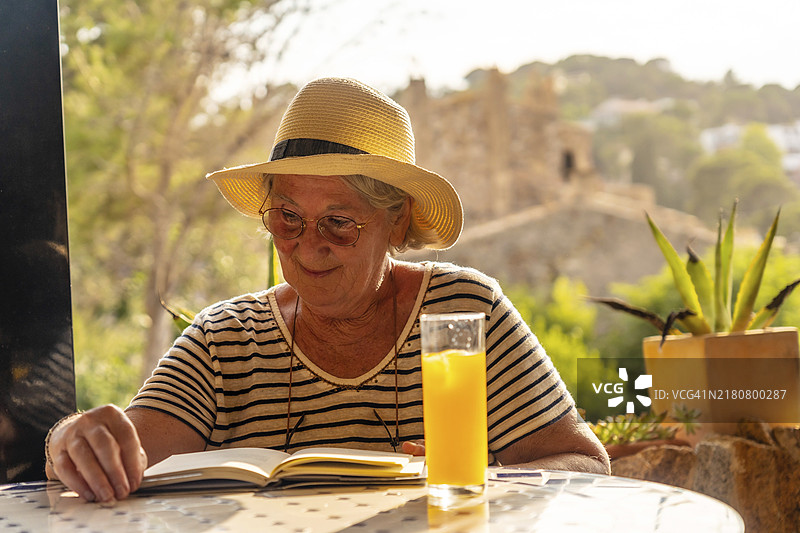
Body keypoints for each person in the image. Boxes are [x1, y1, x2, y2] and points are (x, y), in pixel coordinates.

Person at [45, 77, 610, 503]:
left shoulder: (464, 311)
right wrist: (72, 438)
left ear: (396, 222)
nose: (307, 245)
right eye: (287, 217)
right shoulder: (225, 338)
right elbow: (123, 453)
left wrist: (484, 475)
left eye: (338, 222)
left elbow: (584, 463)